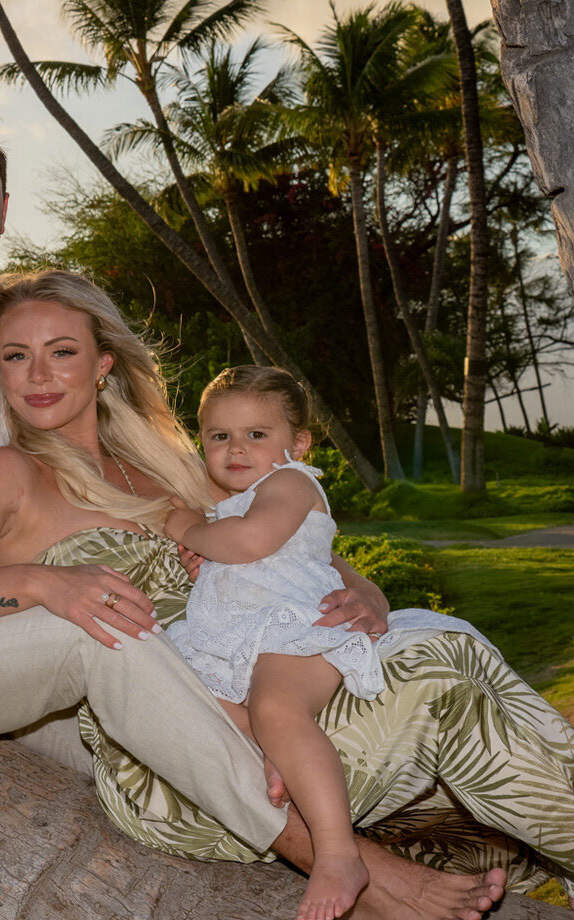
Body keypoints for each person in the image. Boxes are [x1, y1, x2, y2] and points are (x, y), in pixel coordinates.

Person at [0, 106, 508, 920]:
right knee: (104, 634)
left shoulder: (12, 340)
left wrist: (354, 583)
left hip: (10, 640)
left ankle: (497, 838)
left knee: (222, 681)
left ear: (2, 208)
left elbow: (222, 512)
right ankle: (352, 870)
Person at [0, 268, 574, 920]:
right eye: (16, 355)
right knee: (440, 690)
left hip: (263, 693)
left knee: (452, 644)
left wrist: (365, 591)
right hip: (174, 765)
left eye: (61, 351)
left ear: (103, 362)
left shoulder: (171, 467)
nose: (38, 375)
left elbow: (282, 551)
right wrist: (41, 583)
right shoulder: (9, 474)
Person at [160, 367, 485, 920]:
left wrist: (189, 530)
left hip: (295, 626)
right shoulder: (233, 500)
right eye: (219, 436)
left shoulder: (290, 484)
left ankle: (337, 853)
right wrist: (205, 557)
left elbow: (251, 542)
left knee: (276, 706)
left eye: (256, 434)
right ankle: (277, 755)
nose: (236, 448)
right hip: (239, 637)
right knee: (192, 696)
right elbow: (232, 555)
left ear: (300, 443)